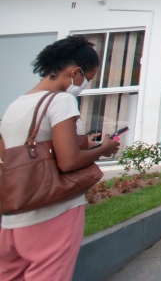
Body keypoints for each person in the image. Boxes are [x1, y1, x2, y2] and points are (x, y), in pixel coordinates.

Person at [0, 36, 119, 281]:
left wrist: (86, 142)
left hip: (13, 218)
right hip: (51, 213)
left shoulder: (16, 105)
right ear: (75, 72)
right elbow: (68, 161)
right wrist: (103, 149)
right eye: (86, 77)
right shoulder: (62, 100)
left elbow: (30, 147)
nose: (84, 84)